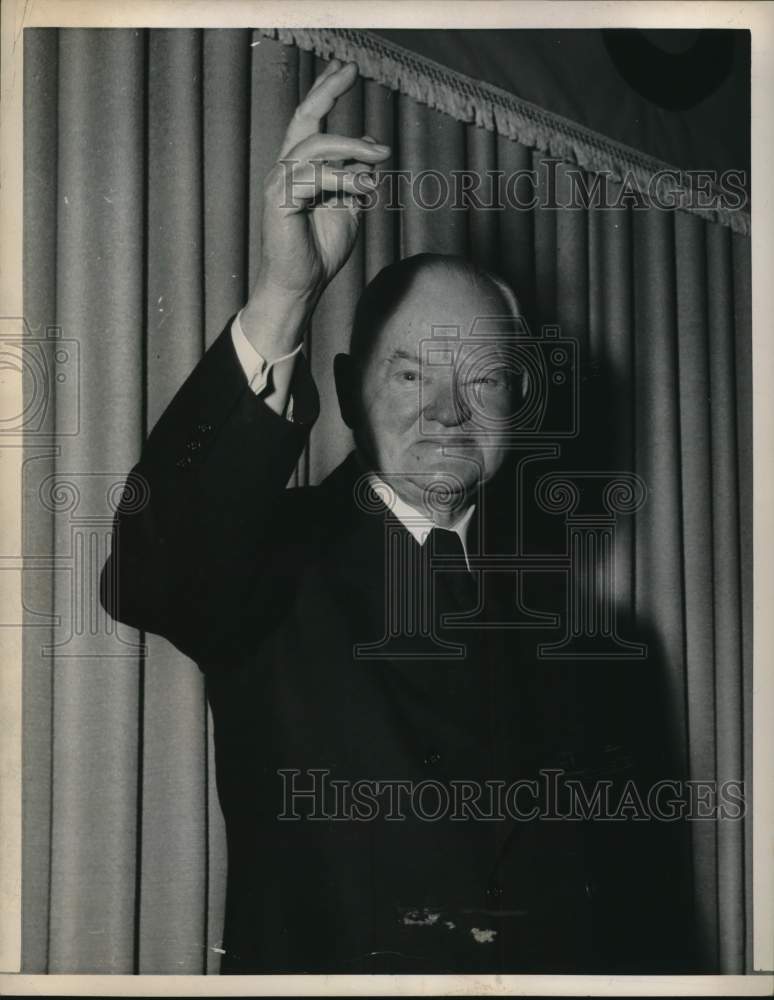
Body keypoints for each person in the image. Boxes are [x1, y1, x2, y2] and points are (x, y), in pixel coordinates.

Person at [101, 60, 696, 974]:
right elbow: (149, 571)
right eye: (413, 374)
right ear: (347, 392)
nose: (449, 411)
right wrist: (287, 292)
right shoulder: (269, 561)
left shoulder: (595, 644)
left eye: (485, 377)